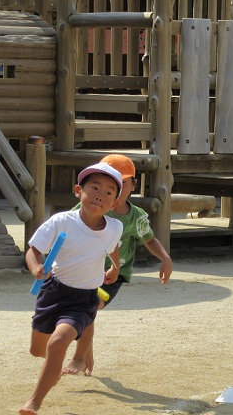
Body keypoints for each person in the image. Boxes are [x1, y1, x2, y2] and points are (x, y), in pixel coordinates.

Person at [19, 162, 124, 415]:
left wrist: (115, 267)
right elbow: (33, 250)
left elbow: (112, 248)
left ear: (115, 203)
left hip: (84, 298)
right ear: (79, 191)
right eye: (94, 188)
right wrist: (35, 269)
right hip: (53, 292)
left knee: (57, 345)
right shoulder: (61, 222)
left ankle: (34, 401)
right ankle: (83, 341)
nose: (100, 194)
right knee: (37, 351)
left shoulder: (114, 227)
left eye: (109, 192)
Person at [62, 154, 173, 376]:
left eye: (121, 183)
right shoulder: (84, 209)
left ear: (134, 184)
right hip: (83, 270)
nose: (113, 189)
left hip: (114, 274)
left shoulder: (136, 217)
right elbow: (65, 230)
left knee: (90, 307)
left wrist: (165, 258)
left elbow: (149, 239)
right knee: (79, 312)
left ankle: (80, 355)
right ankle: (87, 347)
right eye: (103, 183)